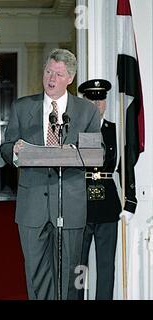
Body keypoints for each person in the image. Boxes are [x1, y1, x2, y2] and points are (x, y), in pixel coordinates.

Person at [0, 48, 101, 300]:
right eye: (47, 71)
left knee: (69, 274)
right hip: (32, 205)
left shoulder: (86, 111)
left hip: (70, 204)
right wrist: (15, 150)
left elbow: (96, 152)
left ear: (70, 78)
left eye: (58, 73)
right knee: (36, 273)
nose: (51, 78)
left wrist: (74, 151)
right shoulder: (23, 108)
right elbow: (5, 146)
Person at [77, 79, 137, 300]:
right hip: (80, 204)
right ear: (84, 102)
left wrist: (130, 201)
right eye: (92, 99)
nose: (97, 104)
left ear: (105, 102)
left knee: (105, 265)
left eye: (100, 99)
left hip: (107, 204)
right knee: (78, 264)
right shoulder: (73, 130)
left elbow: (125, 166)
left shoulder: (116, 130)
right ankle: (76, 295)